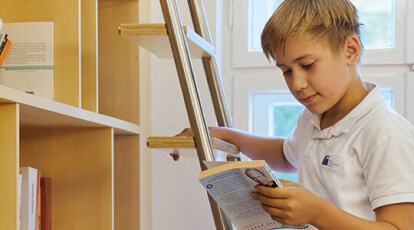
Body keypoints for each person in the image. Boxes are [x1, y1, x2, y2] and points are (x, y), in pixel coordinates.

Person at [175, 0, 414, 229]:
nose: (297, 84)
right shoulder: (312, 117)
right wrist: (227, 135)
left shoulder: (386, 133)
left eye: (308, 65)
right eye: (286, 71)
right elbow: (285, 155)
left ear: (350, 51)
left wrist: (316, 213)